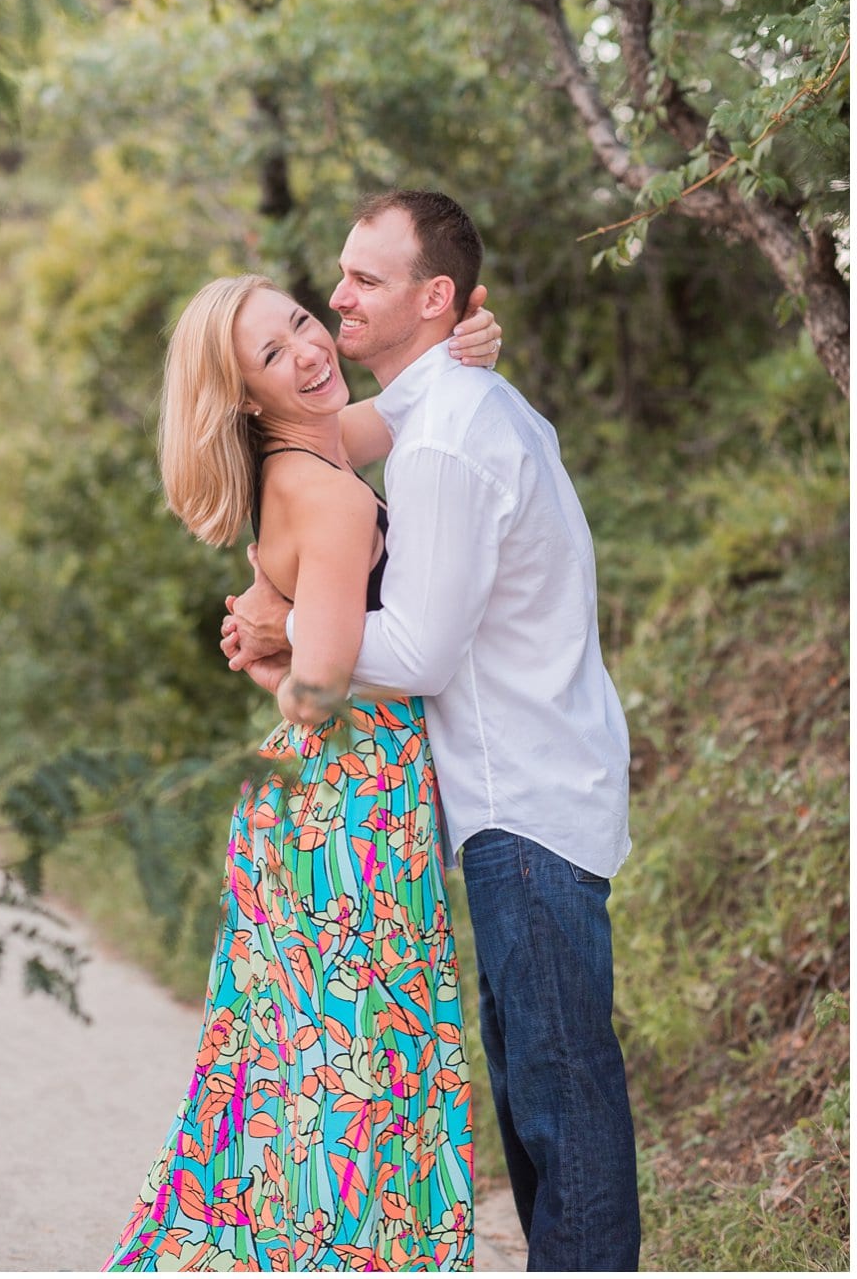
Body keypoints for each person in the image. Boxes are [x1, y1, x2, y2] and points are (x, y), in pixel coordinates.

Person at [223, 190, 637, 1271]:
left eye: (363, 279)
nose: (337, 296)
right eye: (339, 277)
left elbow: (419, 653)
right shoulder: (448, 404)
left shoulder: (446, 438)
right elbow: (340, 433)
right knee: (543, 1096)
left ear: (436, 296)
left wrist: (293, 627)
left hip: (524, 802)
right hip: (530, 793)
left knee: (562, 1104)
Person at [106, 275, 503, 1272]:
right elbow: (317, 694)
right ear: (246, 395)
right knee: (358, 1081)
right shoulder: (325, 498)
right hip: (353, 814)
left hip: (317, 807)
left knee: (293, 1073)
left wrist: (464, 346)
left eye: (298, 322)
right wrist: (284, 646)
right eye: (274, 355)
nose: (308, 349)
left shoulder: (303, 458)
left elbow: (387, 413)